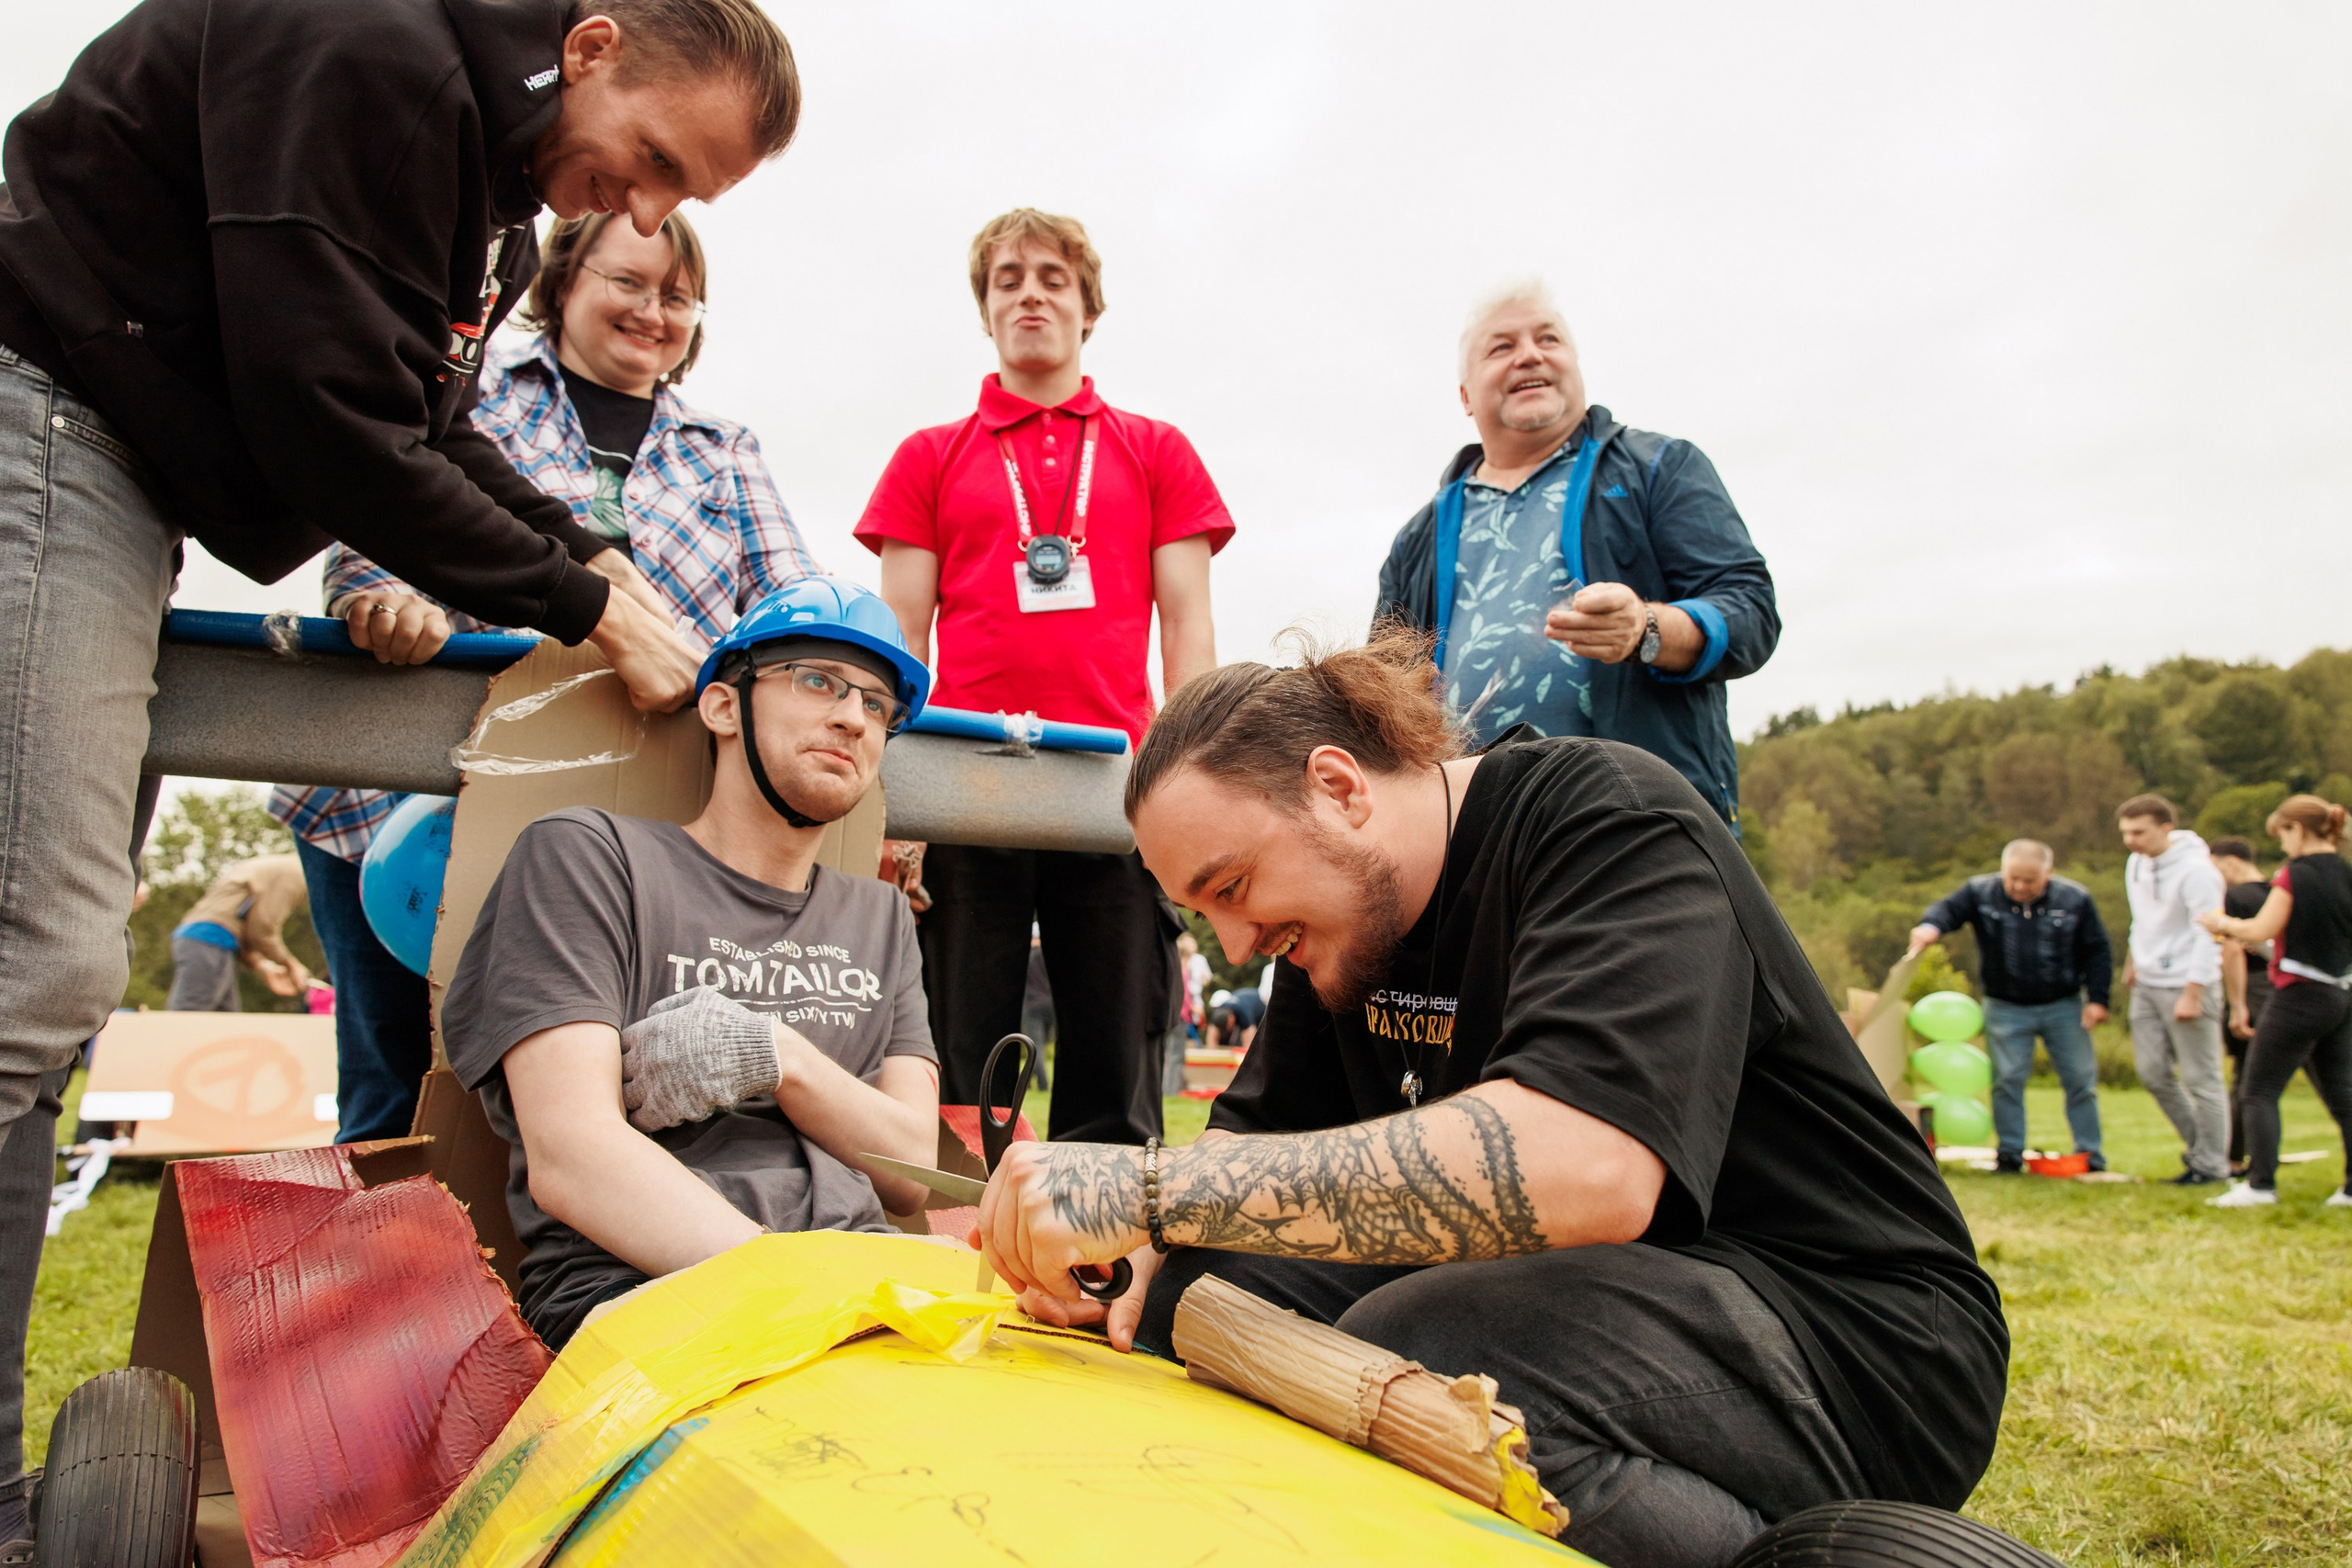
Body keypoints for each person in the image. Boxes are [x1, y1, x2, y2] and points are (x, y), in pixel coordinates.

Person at [0, 0, 797, 1543]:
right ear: (595, 42)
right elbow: (329, 422)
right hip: (49, 410)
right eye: (651, 162)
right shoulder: (370, 46)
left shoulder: (487, 202)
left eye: (681, 205)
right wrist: (578, 599)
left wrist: (590, 560)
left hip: (128, 467)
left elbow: (427, 425)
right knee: (27, 966)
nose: (642, 215)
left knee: (38, 978)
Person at [972, 630, 2007, 1568]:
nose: (1234, 946)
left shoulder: (1607, 818)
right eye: (1201, 914)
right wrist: (1140, 1261)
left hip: (1852, 1336)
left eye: (1231, 887)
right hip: (1600, 1302)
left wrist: (1151, 1184)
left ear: (1337, 787)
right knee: (1201, 1300)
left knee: (1430, 1344)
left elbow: (1588, 1169)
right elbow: (1249, 1162)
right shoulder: (1335, 935)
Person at [269, 207, 819, 1143]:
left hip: (618, 822)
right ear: (562, 284)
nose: (653, 310)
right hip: (400, 805)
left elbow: (787, 603)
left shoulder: (724, 450)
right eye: (628, 283)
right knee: (395, 1095)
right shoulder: (469, 394)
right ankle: (387, 1287)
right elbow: (380, 505)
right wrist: (387, 600)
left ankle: (552, 1291)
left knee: (581, 1094)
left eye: (677, 296)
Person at [442, 579, 942, 1348]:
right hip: (647, 1293)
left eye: (878, 705)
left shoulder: (880, 918)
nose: (853, 717)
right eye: (818, 681)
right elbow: (572, 1155)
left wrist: (782, 1058)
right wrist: (806, 1291)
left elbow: (910, 1169)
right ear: (720, 706)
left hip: (859, 1282)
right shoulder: (587, 857)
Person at [856, 209, 1233, 1144]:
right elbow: (897, 639)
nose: (1030, 292)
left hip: (1113, 791)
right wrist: (892, 813)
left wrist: (1189, 795)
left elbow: (1188, 632)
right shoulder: (926, 456)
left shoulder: (1157, 449)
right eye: (1008, 278)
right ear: (985, 309)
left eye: (1053, 278)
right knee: (960, 1051)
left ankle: (1099, 1251)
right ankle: (962, 1239)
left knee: (1113, 1059)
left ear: (1089, 307)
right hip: (966, 788)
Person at [1372, 281, 1779, 828]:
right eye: (1501, 347)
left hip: (1642, 827)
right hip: (1471, 844)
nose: (1531, 355)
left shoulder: (1659, 468)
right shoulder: (1417, 539)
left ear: (1576, 367)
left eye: (1549, 339)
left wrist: (1648, 629)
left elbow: (1751, 610)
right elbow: (1381, 695)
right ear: (1465, 395)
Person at [1905, 840, 2112, 1172]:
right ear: (2003, 871)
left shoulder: (2075, 899)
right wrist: (1931, 927)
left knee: (2080, 1080)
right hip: (2005, 1006)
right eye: (2012, 878)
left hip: (2063, 1005)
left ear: (2049, 873)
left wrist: (2099, 1000)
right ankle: (2010, 1153)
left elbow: (2098, 950)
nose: (2019, 886)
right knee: (2007, 1080)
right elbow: (1946, 910)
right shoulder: (1980, 892)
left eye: (2029, 881)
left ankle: (2091, 1155)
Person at [2196, 795, 2352, 1210]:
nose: (2282, 845)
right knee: (2343, 1094)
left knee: (2258, 1090)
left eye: (2282, 835)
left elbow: (2261, 929)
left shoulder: (2293, 874)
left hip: (2300, 993)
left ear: (2297, 830)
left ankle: (2259, 1185)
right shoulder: (2345, 872)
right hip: (2341, 994)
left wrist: (2220, 923)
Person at [2118, 795, 2228, 1184]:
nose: (2131, 840)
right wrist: (2133, 961)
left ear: (2166, 828)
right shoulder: (2136, 863)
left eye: (2139, 832)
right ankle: (2205, 1152)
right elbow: (2142, 920)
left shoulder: (2198, 871)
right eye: (2126, 832)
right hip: (2147, 982)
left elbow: (2209, 934)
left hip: (2186, 981)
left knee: (2202, 1078)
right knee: (2152, 1074)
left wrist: (2194, 991)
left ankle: (2213, 1167)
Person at [165, 853, 313, 1012]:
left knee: (225, 1021)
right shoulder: (296, 872)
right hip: (210, 941)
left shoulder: (276, 864)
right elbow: (261, 928)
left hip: (207, 941)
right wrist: (291, 964)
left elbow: (241, 922)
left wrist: (263, 966)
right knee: (190, 1016)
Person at [2210, 835, 2276, 1168]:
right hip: (2289, 986)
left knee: (2249, 1079)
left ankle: (2234, 1158)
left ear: (2231, 862)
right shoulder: (2277, 893)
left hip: (2253, 988)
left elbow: (2233, 949)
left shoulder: (2234, 897)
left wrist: (2237, 1006)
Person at [1203, 986, 1268, 1053]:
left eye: (1230, 1026)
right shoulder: (1219, 1011)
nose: (1230, 1029)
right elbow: (1212, 1034)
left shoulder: (1243, 1012)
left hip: (1263, 1008)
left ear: (1231, 1019)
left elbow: (1248, 1044)